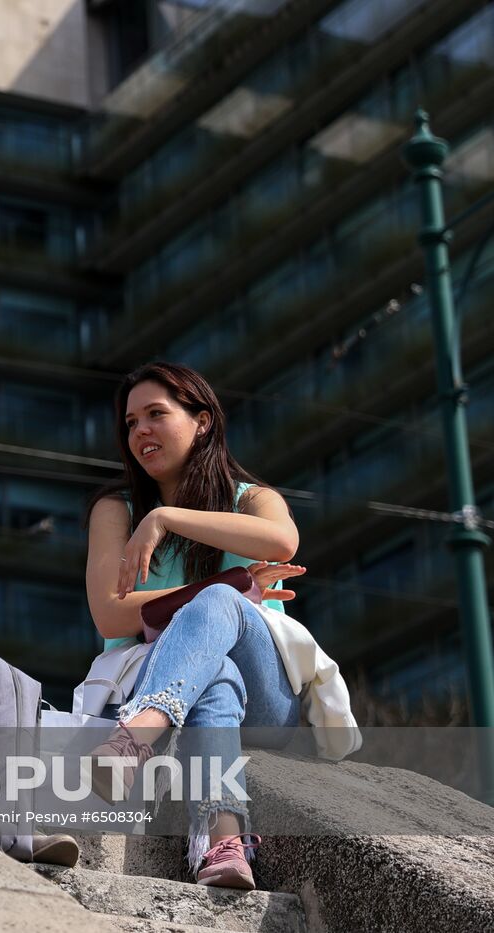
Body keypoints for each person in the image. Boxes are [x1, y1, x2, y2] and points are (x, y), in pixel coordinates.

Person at [83, 361, 308, 891]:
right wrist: (235, 584)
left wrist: (165, 519)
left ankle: (133, 739)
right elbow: (110, 613)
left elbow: (283, 543)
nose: (141, 431)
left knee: (219, 603)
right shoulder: (114, 511)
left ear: (202, 421)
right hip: (155, 681)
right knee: (216, 673)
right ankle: (223, 842)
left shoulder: (251, 500)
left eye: (156, 414)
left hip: (267, 704)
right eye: (131, 423)